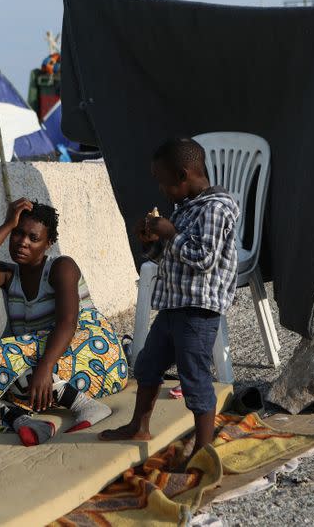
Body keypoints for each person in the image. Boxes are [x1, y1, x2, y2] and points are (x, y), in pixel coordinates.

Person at [0, 199, 128, 446]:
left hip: (95, 357)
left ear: (48, 243)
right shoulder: (8, 276)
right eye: (18, 234)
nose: (22, 242)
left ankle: (85, 405)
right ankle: (21, 420)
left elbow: (68, 322)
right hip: (48, 372)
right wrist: (7, 224)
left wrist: (46, 368)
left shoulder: (62, 267)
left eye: (33, 238)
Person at [99, 138, 239, 458]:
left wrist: (170, 233)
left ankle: (204, 450)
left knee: (194, 378)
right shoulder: (185, 209)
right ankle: (139, 425)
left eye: (163, 182)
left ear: (182, 175)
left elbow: (203, 258)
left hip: (198, 311)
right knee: (147, 365)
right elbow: (169, 257)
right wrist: (150, 243)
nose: (161, 190)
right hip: (174, 306)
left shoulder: (216, 208)